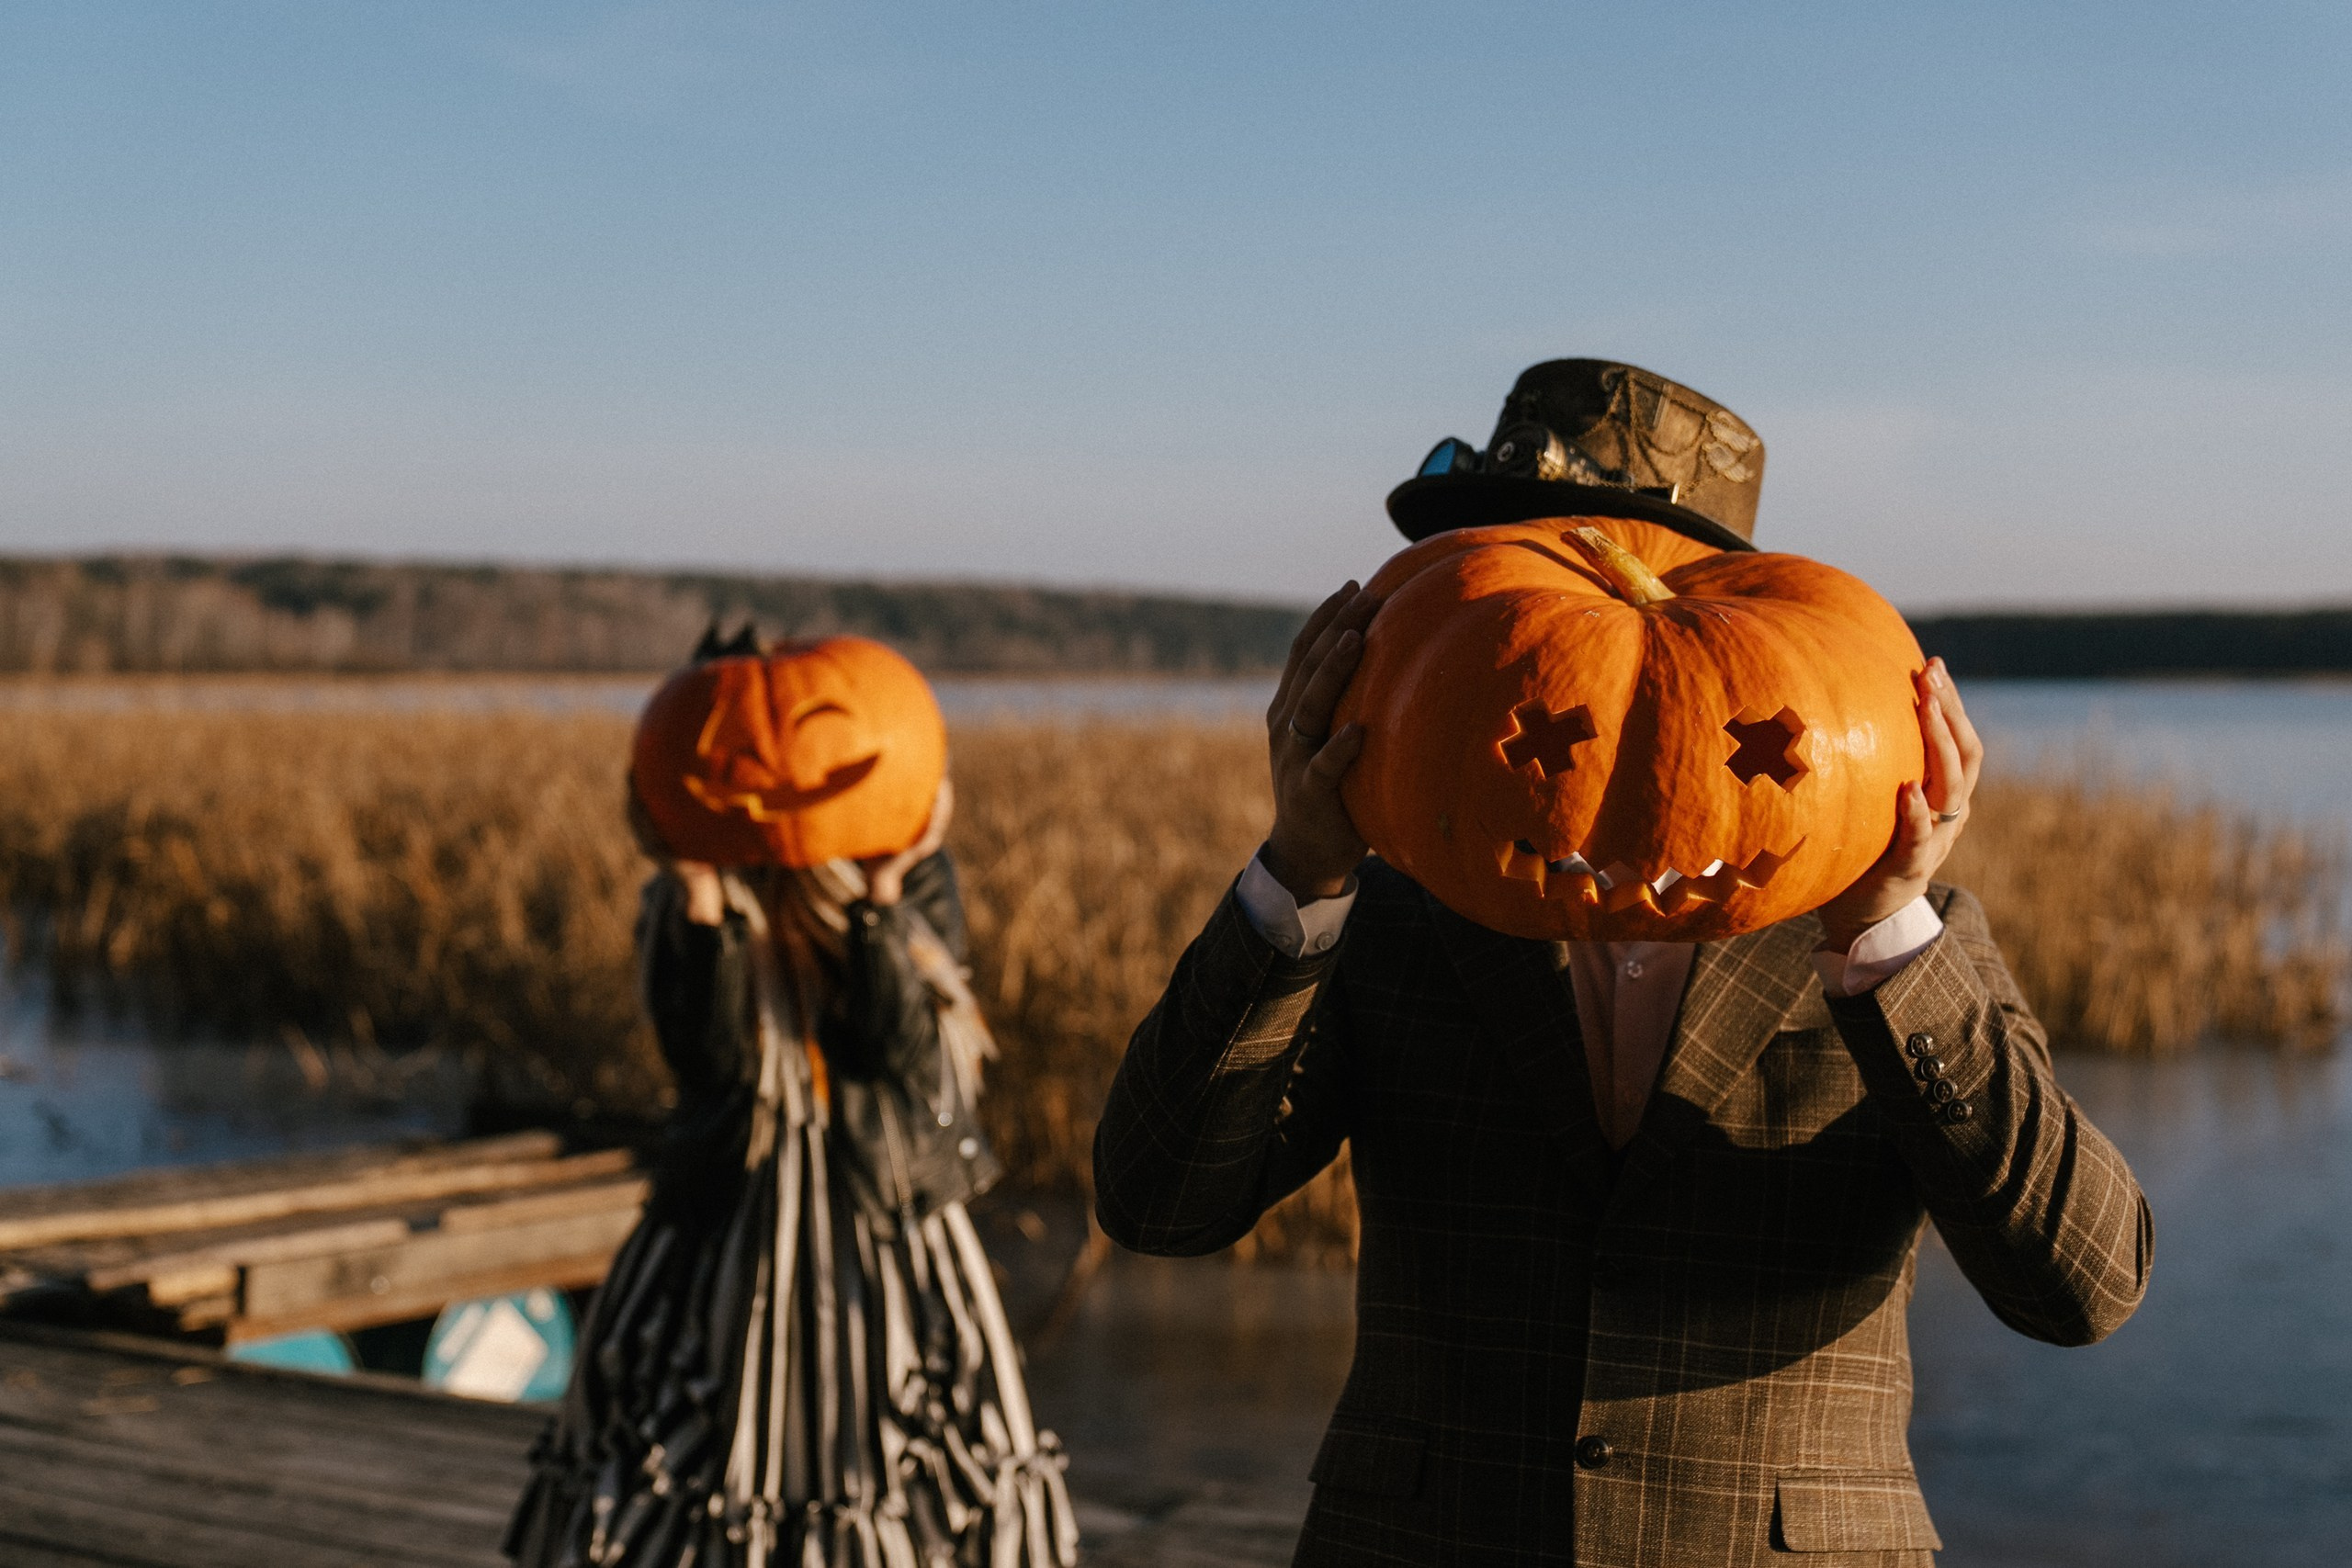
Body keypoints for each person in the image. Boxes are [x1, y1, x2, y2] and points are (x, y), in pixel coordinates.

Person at [1092, 361, 2151, 1566]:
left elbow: (2083, 1286)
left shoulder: (1891, 939)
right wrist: (1299, 869)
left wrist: (1883, 931)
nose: (1508, 626)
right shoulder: (1383, 914)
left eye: (1542, 566)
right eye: (1478, 585)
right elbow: (1156, 1198)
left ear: (1681, 584)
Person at [508, 636, 1078, 1568]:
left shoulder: (912, 874)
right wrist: (695, 883)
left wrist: (878, 898)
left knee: (892, 1442)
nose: (772, 767)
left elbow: (890, 1052)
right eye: (730, 751)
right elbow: (711, 1064)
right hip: (732, 1209)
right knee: (702, 1456)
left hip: (879, 1210)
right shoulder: (686, 893)